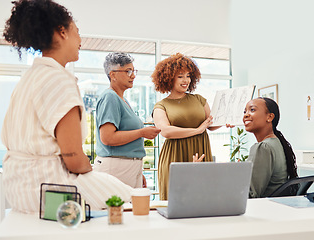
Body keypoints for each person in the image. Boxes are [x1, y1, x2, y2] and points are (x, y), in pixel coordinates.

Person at [1, 0, 132, 213]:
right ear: (62, 32)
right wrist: (91, 169)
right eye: (77, 32)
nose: (80, 40)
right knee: (130, 197)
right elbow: (73, 158)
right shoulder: (59, 79)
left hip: (18, 189)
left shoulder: (29, 78)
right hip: (49, 190)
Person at [152, 53, 221, 200]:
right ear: (169, 78)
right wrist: (197, 131)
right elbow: (165, 131)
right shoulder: (161, 106)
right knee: (177, 199)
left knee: (202, 198)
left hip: (200, 150)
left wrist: (228, 120)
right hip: (175, 155)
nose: (186, 80)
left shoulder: (199, 99)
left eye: (188, 76)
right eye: (180, 76)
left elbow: (211, 124)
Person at [93, 52, 160, 188]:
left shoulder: (123, 100)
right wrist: (142, 133)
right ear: (113, 75)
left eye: (133, 71)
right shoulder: (110, 97)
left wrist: (137, 171)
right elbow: (107, 138)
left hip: (127, 167)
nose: (133, 75)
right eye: (128, 71)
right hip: (116, 168)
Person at [243, 97, 298, 198]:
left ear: (269, 117)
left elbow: (251, 194)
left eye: (252, 110)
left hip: (262, 209)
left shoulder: (263, 148)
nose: (246, 115)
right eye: (245, 111)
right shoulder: (277, 142)